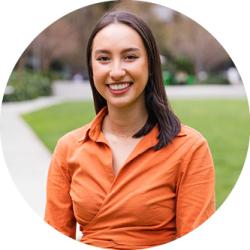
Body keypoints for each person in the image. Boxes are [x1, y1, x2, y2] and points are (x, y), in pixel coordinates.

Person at [45, 10, 215, 249]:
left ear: (150, 63)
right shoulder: (68, 148)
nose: (115, 72)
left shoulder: (190, 148)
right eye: (103, 58)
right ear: (91, 67)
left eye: (130, 57)